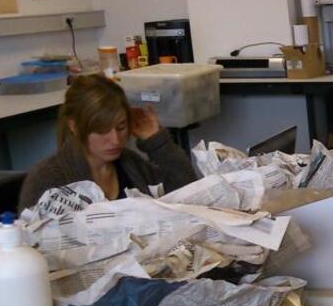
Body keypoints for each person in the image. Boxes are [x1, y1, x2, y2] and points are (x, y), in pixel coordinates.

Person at [18, 74, 198, 211]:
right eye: (102, 130)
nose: (115, 140)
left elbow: (188, 193)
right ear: (75, 126)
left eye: (121, 127)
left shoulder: (129, 163)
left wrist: (157, 141)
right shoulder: (47, 179)